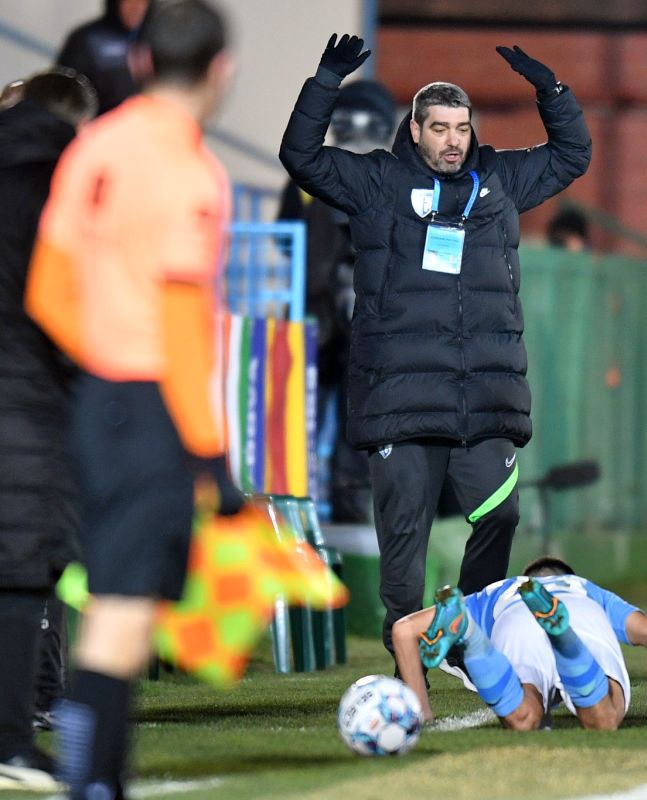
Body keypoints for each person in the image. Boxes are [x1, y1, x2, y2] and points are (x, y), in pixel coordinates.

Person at [279, 35, 592, 660]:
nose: (453, 139)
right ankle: (409, 664)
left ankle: (468, 628)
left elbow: (571, 155)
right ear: (415, 131)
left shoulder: (499, 180)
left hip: (484, 401)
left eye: (462, 127)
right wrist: (324, 84)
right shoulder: (376, 182)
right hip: (402, 401)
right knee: (404, 546)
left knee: (499, 516)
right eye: (440, 128)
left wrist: (551, 91)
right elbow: (302, 157)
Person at [25, 2, 242, 797]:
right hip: (153, 404)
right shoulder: (191, 172)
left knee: (113, 603)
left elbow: (48, 291)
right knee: (125, 611)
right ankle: (95, 781)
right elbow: (183, 321)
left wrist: (104, 362)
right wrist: (211, 449)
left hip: (98, 398)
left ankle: (96, 780)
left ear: (142, 62)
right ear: (222, 69)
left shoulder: (93, 148)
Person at [0, 66, 97, 793]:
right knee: (26, 566)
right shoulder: (56, 186)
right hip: (24, 395)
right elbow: (63, 302)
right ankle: (19, 725)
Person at [277, 79, 399, 523]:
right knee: (322, 416)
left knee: (334, 418)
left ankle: (325, 503)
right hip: (324, 315)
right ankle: (313, 502)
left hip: (329, 316)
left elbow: (286, 237)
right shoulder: (384, 179)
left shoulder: (317, 174)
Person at [392, 556, 647, 730]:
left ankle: (471, 637)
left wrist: (422, 715)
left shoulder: (499, 590)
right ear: (565, 575)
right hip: (580, 615)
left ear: (528, 578)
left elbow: (403, 630)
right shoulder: (586, 589)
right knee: (603, 719)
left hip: (514, 618)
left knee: (524, 719)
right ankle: (561, 634)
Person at [56, 0, 150, 115]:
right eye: (131, 2)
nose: (136, 9)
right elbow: (64, 92)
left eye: (142, 4)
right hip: (94, 123)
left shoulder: (152, 41)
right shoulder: (87, 38)